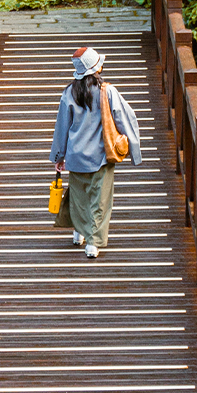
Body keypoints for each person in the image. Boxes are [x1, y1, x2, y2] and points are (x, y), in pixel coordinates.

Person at [49, 46, 142, 259]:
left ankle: (78, 232)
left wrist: (59, 156)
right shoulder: (107, 91)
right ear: (96, 68)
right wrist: (134, 153)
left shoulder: (68, 92)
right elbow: (125, 118)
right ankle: (93, 242)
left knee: (79, 195)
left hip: (75, 155)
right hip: (100, 155)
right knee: (99, 199)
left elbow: (61, 126)